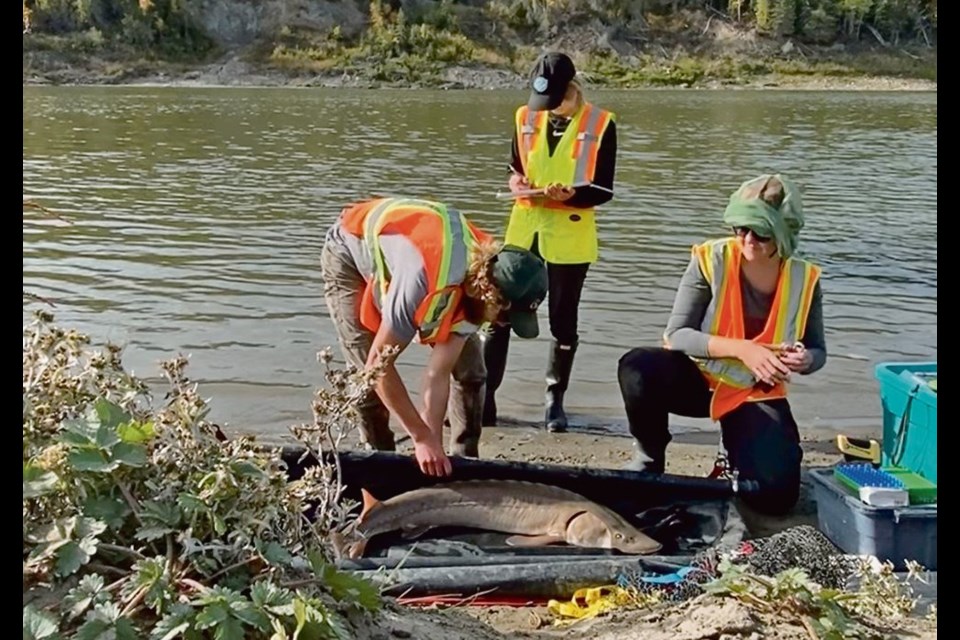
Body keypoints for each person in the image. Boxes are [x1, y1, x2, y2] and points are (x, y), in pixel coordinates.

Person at [617, 174, 826, 515]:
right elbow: (678, 335)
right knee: (636, 367)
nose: (748, 239)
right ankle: (649, 456)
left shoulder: (806, 278)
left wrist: (806, 360)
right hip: (697, 378)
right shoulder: (709, 259)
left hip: (754, 392)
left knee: (776, 498)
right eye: (740, 229)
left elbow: (818, 350)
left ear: (784, 235)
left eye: (760, 232)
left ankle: (734, 449)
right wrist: (744, 349)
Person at [321, 196, 548, 477]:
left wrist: (432, 443)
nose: (502, 325)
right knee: (366, 383)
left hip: (422, 250)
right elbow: (377, 369)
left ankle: (463, 461)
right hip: (349, 249)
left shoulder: (497, 275)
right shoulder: (423, 280)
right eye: (505, 317)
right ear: (492, 296)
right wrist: (419, 437)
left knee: (470, 370)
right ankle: (380, 468)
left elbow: (437, 372)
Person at [483, 51, 618, 433]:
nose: (546, 109)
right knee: (499, 310)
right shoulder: (525, 116)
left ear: (572, 89)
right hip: (524, 231)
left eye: (554, 100)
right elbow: (514, 167)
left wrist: (569, 196)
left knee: (563, 317)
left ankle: (554, 399)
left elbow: (603, 189)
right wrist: (517, 184)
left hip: (570, 234)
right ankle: (485, 396)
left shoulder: (601, 123)